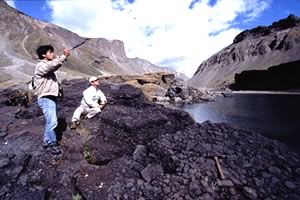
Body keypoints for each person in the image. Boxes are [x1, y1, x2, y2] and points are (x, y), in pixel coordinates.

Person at [35, 45, 70, 155]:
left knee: (51, 121)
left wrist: (61, 57)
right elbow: (51, 67)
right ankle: (52, 143)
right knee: (53, 122)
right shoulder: (40, 66)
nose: (53, 54)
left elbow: (53, 63)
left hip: (50, 97)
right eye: (50, 52)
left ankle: (46, 141)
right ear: (43, 55)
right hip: (46, 98)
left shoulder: (47, 64)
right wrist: (63, 57)